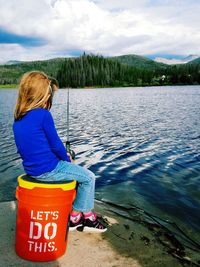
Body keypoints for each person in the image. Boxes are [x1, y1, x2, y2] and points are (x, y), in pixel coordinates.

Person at [13, 71, 107, 233]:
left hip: (32, 169)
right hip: (48, 170)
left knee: (75, 172)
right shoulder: (43, 115)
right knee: (88, 177)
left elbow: (28, 148)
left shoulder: (19, 117)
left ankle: (78, 212)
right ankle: (78, 217)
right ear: (44, 95)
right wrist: (67, 158)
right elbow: (56, 145)